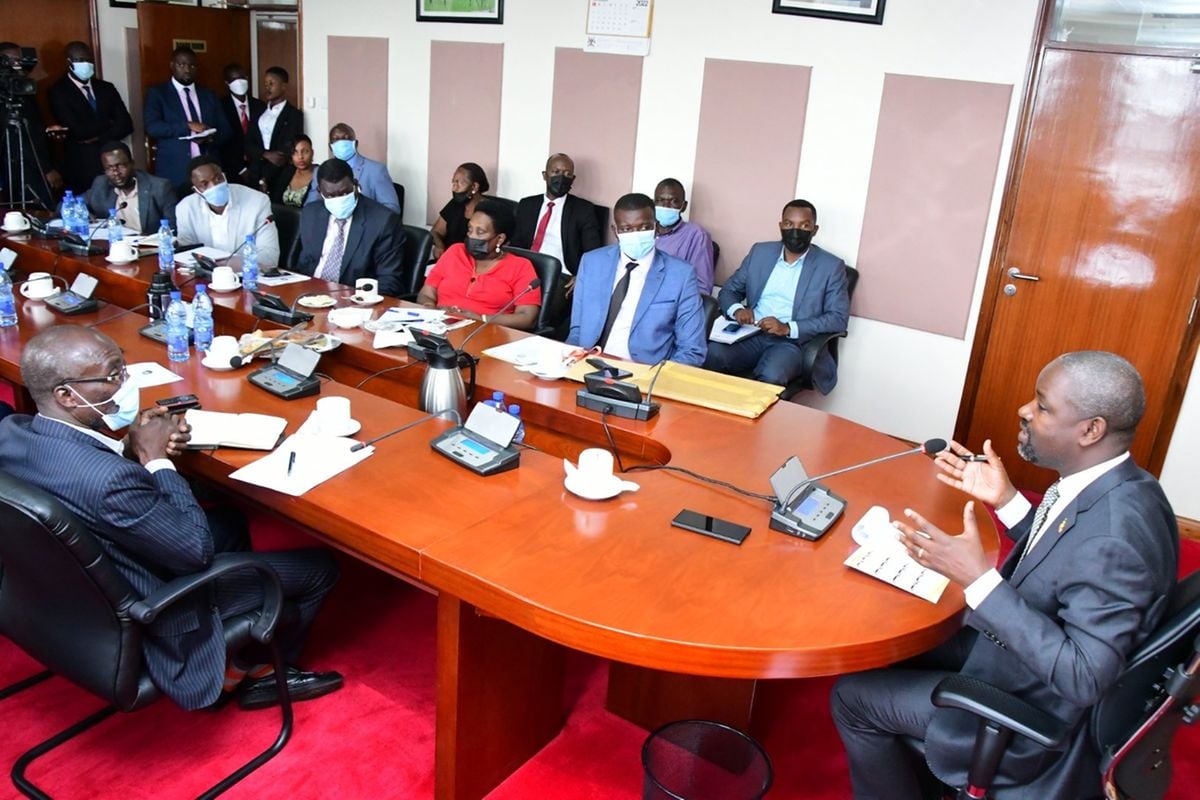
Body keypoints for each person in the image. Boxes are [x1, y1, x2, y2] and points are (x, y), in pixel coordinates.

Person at [831, 351, 1179, 800]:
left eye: (1043, 406)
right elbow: (1069, 556)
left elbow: (1084, 676)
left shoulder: (1115, 540)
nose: (1024, 410)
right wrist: (1009, 501)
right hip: (1019, 658)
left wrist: (980, 580)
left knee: (852, 698)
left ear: (1090, 430)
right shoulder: (1128, 486)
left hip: (1032, 712)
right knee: (897, 638)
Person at [0, 326, 345, 711]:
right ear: (66, 395)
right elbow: (195, 552)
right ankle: (255, 671)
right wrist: (157, 460)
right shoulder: (109, 483)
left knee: (229, 520)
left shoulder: (12, 432)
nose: (124, 383)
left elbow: (86, 478)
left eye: (123, 369)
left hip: (64, 599)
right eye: (112, 375)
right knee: (322, 568)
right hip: (153, 607)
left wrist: (129, 447)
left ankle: (239, 632)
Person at [704, 199, 850, 392]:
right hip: (750, 333)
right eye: (789, 224)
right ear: (781, 226)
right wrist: (737, 310)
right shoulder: (760, 252)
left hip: (792, 343)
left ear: (814, 230)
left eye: (804, 226)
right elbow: (729, 290)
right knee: (711, 355)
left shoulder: (830, 266)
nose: (795, 231)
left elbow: (837, 318)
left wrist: (787, 328)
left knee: (772, 375)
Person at [567, 193, 706, 366]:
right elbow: (577, 330)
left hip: (642, 371)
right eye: (626, 229)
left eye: (644, 227)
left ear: (656, 227)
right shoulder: (592, 262)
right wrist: (568, 363)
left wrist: (654, 378)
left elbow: (692, 350)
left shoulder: (681, 275)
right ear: (615, 231)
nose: (636, 235)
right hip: (585, 363)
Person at [418, 198, 541, 330]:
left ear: (500, 239)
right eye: (470, 230)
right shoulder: (455, 252)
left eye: (480, 232)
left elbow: (527, 318)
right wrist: (431, 309)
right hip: (438, 327)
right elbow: (426, 294)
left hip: (487, 333)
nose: (472, 236)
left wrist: (481, 318)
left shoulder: (520, 267)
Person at [293, 158, 404, 296]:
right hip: (310, 296)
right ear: (320, 192)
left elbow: (389, 282)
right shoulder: (311, 214)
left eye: (344, 193)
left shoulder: (383, 221)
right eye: (330, 195)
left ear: (355, 185)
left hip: (353, 299)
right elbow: (304, 265)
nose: (338, 199)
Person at [46, 41, 134, 194]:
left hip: (113, 160)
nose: (86, 64)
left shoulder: (106, 88)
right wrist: (109, 125)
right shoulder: (58, 91)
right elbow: (78, 131)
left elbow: (126, 124)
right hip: (81, 164)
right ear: (69, 63)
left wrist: (98, 138)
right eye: (80, 60)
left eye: (89, 59)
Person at [143, 47, 228, 191]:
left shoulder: (208, 94)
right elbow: (153, 127)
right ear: (172, 66)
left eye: (192, 65)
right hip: (174, 169)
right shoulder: (158, 93)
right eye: (181, 65)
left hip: (208, 171)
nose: (187, 70)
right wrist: (187, 126)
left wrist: (209, 139)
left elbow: (225, 129)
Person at [176, 155, 280, 265]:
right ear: (196, 190)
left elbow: (270, 256)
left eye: (218, 178)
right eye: (204, 184)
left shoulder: (257, 201)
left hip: (245, 272)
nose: (214, 186)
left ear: (224, 176)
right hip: (205, 273)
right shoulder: (186, 208)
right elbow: (186, 252)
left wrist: (229, 265)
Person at [511, 153, 602, 278]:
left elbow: (592, 252)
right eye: (556, 172)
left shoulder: (583, 209)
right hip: (525, 268)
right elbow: (516, 243)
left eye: (567, 174)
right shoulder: (527, 205)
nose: (561, 178)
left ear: (573, 179)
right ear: (545, 175)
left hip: (560, 274)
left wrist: (581, 276)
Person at [0, 43, 63, 207]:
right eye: (13, 60)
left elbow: (33, 129)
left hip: (34, 164)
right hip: (20, 167)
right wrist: (46, 169)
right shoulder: (3, 95)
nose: (19, 64)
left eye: (20, 59)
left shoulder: (24, 90)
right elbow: (18, 138)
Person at [81, 141, 177, 234]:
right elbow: (76, 202)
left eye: (120, 166)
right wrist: (83, 213)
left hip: (147, 243)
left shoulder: (160, 187)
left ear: (132, 164)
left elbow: (173, 229)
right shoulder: (101, 184)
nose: (116, 173)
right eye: (109, 168)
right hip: (114, 242)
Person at [306, 123, 400, 215]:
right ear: (330, 146)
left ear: (355, 143)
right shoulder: (320, 172)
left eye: (346, 138)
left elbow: (392, 209)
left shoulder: (376, 171)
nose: (341, 143)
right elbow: (310, 208)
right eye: (336, 139)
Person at [652, 178, 714, 295]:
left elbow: (702, 287)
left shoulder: (697, 235)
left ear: (683, 206)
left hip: (671, 300)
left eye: (673, 201)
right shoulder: (643, 231)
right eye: (660, 200)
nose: (666, 206)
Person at [249, 66, 304, 189]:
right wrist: (264, 154)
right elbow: (249, 141)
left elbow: (288, 144)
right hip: (256, 169)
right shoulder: (258, 111)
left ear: (283, 86)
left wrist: (266, 176)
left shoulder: (293, 114)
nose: (267, 87)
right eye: (265, 84)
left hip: (279, 171)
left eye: (271, 83)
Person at [217, 63, 264, 185]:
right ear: (227, 83)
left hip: (258, 166)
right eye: (234, 79)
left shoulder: (259, 106)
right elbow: (221, 142)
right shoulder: (220, 107)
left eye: (242, 77)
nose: (239, 82)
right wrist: (240, 169)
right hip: (232, 169)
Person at [431, 162, 489, 259]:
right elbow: (435, 232)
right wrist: (439, 245)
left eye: (458, 183)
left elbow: (487, 247)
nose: (454, 188)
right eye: (453, 182)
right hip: (448, 259)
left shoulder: (488, 210)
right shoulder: (454, 204)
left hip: (473, 262)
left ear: (474, 186)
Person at [267, 134, 316, 207]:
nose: (300, 157)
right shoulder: (287, 172)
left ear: (312, 153)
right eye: (295, 153)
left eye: (305, 151)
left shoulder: (319, 174)